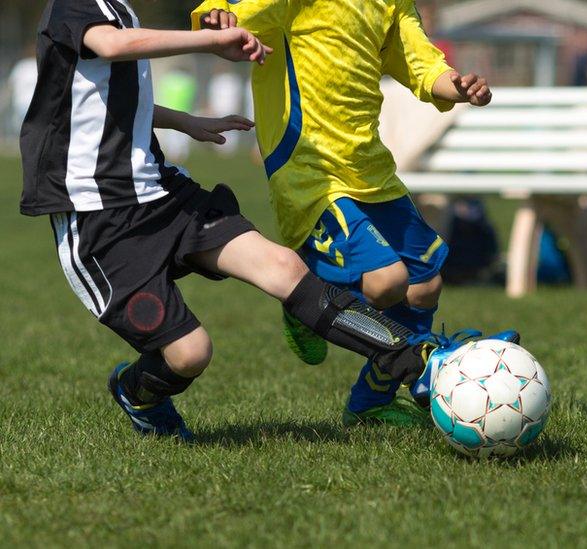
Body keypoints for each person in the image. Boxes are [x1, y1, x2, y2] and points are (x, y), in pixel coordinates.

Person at [20, 0, 460, 441]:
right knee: (190, 354)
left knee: (286, 268)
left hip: (162, 192)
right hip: (99, 215)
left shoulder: (118, 7)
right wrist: (211, 40)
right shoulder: (74, 5)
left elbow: (110, 100)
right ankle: (138, 393)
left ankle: (413, 358)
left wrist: (186, 122)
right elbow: (112, 46)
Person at [190, 2, 508, 426]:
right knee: (386, 281)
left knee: (425, 285)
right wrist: (215, 14)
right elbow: (233, 15)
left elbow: (420, 63)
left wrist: (459, 86)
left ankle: (370, 400)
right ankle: (307, 295)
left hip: (371, 169)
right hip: (309, 171)